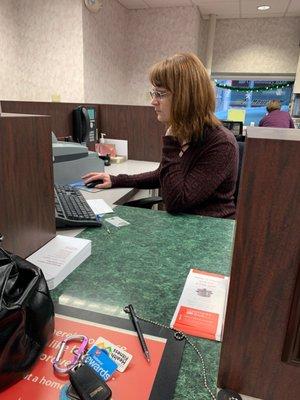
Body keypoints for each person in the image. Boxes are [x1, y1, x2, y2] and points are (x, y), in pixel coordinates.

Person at [83, 53, 238, 218]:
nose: (153, 101)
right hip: (185, 226)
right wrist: (116, 180)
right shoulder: (186, 132)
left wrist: (171, 142)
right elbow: (162, 174)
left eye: (161, 94)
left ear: (185, 97)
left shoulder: (221, 144)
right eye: (153, 93)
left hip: (210, 230)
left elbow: (176, 202)